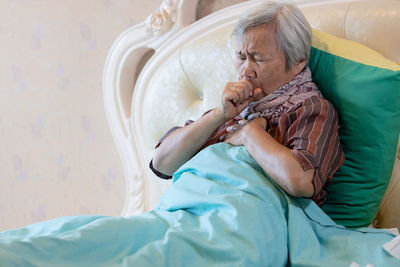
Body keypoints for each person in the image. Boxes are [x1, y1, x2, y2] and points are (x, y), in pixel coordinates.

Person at [150, 0, 345, 206]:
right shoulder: (232, 109)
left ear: (298, 63)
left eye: (258, 59)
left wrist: (250, 134)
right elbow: (161, 163)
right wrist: (220, 114)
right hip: (187, 207)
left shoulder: (312, 109)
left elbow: (301, 181)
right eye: (241, 57)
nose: (245, 70)